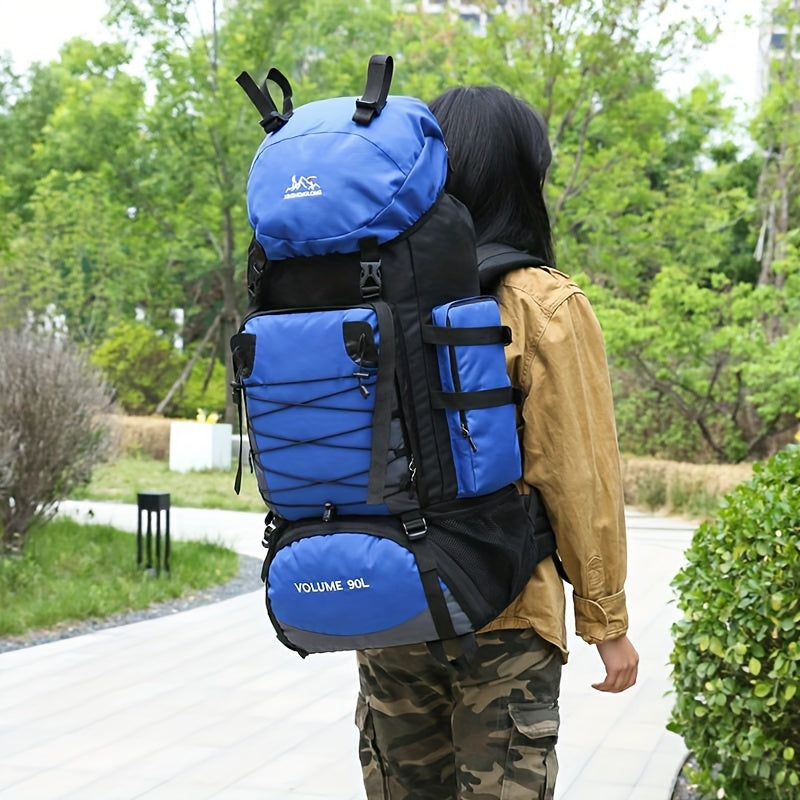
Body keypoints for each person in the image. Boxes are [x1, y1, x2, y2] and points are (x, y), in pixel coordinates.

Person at [354, 85, 639, 799]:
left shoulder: (363, 289)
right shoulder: (542, 302)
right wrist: (606, 620)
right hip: (504, 609)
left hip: (388, 602)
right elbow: (578, 474)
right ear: (521, 177)